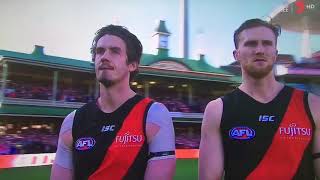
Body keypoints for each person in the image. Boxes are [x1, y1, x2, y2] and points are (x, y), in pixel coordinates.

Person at [199, 18, 320, 180]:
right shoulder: (217, 110)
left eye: (267, 43)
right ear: (237, 54)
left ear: (275, 54)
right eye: (251, 44)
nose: (260, 50)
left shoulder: (312, 105)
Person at [51, 25, 176, 180]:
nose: (104, 56)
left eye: (115, 51)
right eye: (99, 51)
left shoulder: (154, 115)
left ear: (132, 65)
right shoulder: (72, 122)